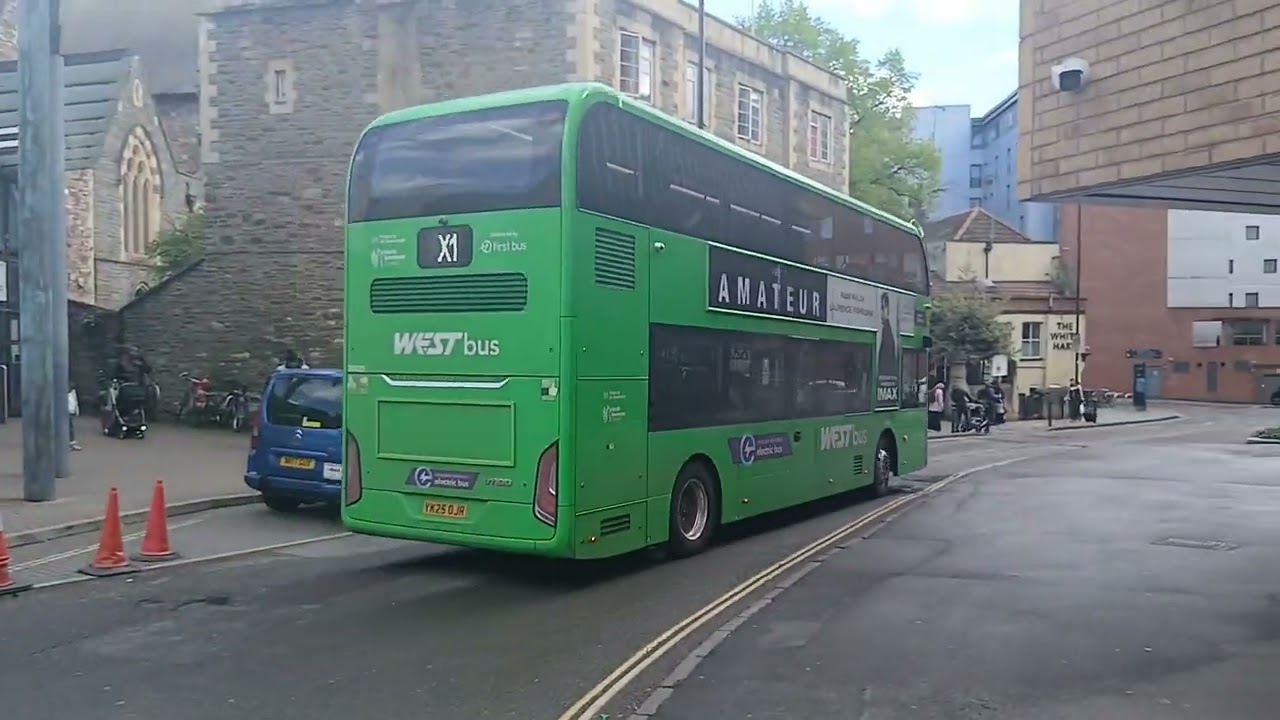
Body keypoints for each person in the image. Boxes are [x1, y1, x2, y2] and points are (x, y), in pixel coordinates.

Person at [68, 384, 81, 451]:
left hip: (72, 411)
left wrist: (77, 410)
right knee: (67, 428)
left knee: (71, 428)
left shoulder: (73, 393)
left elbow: (75, 402)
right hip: (66, 412)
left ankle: (71, 444)